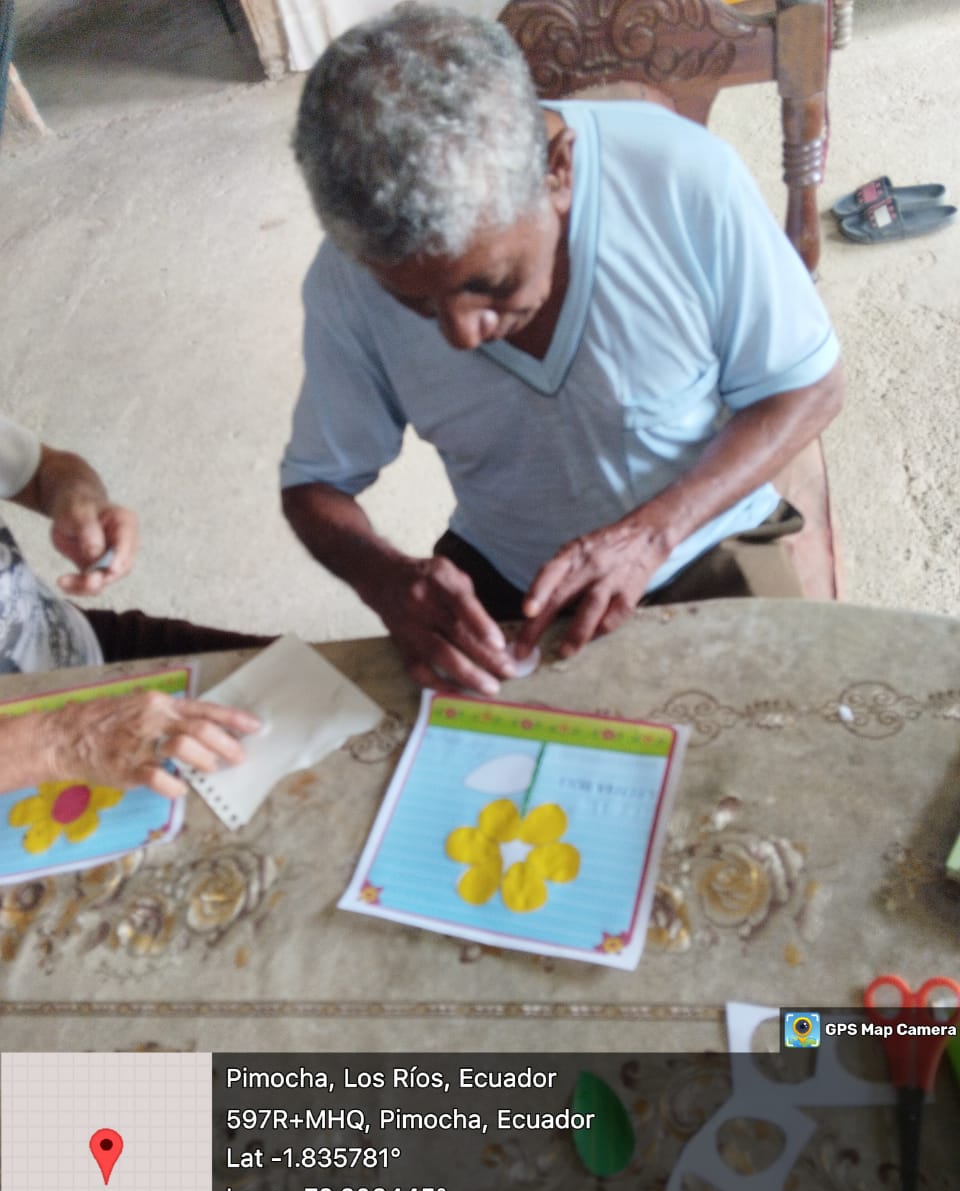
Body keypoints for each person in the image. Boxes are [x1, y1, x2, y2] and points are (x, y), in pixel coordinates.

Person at [283, 4, 844, 697]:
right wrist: (383, 577)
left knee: (784, 728)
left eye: (488, 283)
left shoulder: (681, 176)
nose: (460, 335)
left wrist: (653, 534)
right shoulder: (348, 275)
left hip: (704, 539)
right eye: (415, 303)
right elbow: (315, 487)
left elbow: (810, 387)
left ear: (558, 170)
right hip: (512, 571)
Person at [0, 412, 265, 798]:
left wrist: (79, 501)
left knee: (312, 692)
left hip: (84, 648)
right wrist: (62, 742)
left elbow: (43, 472)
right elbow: (63, 742)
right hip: (25, 769)